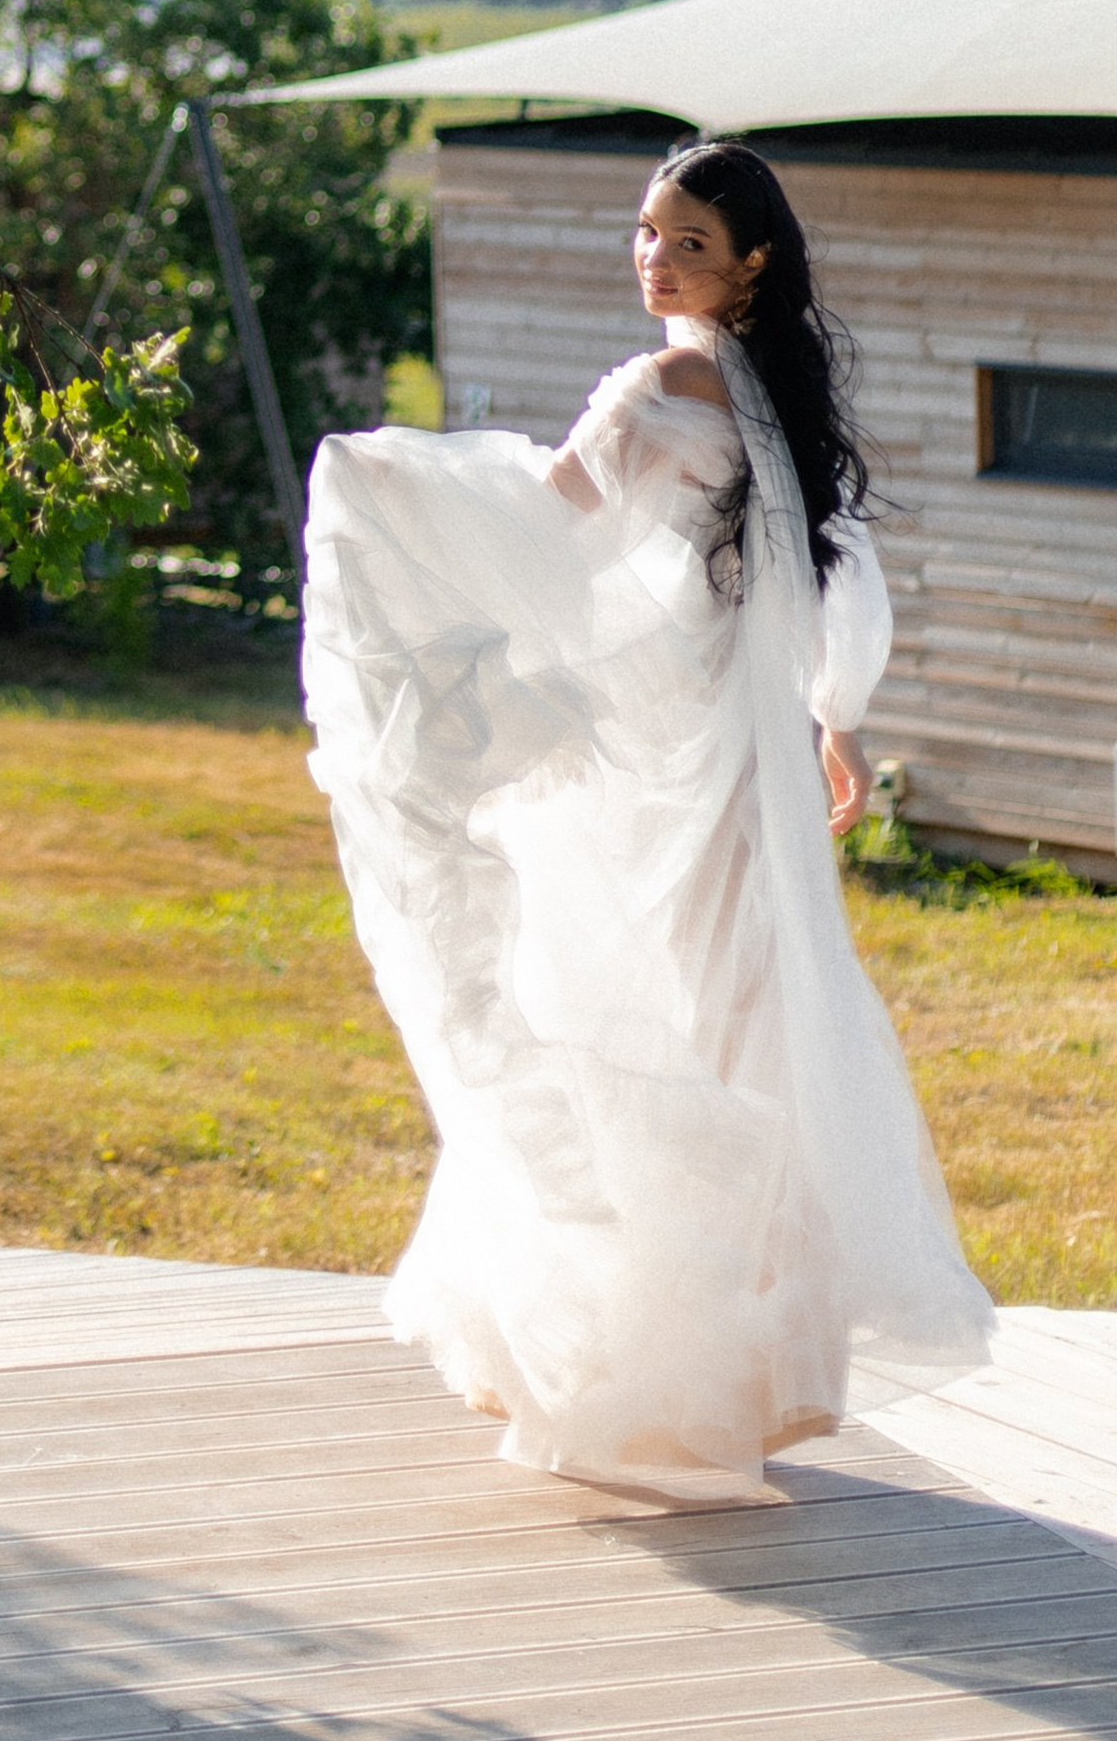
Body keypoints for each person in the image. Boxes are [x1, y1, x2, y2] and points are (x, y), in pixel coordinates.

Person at [302, 137, 994, 1507]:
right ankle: (737, 1368)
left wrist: (381, 493)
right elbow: (825, 576)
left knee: (634, 1012)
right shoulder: (773, 397)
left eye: (686, 241)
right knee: (746, 1025)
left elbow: (539, 530)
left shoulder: (666, 386)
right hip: (739, 760)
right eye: (645, 233)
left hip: (673, 756)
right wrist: (832, 712)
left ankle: (653, 1363)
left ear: (750, 264)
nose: (654, 259)